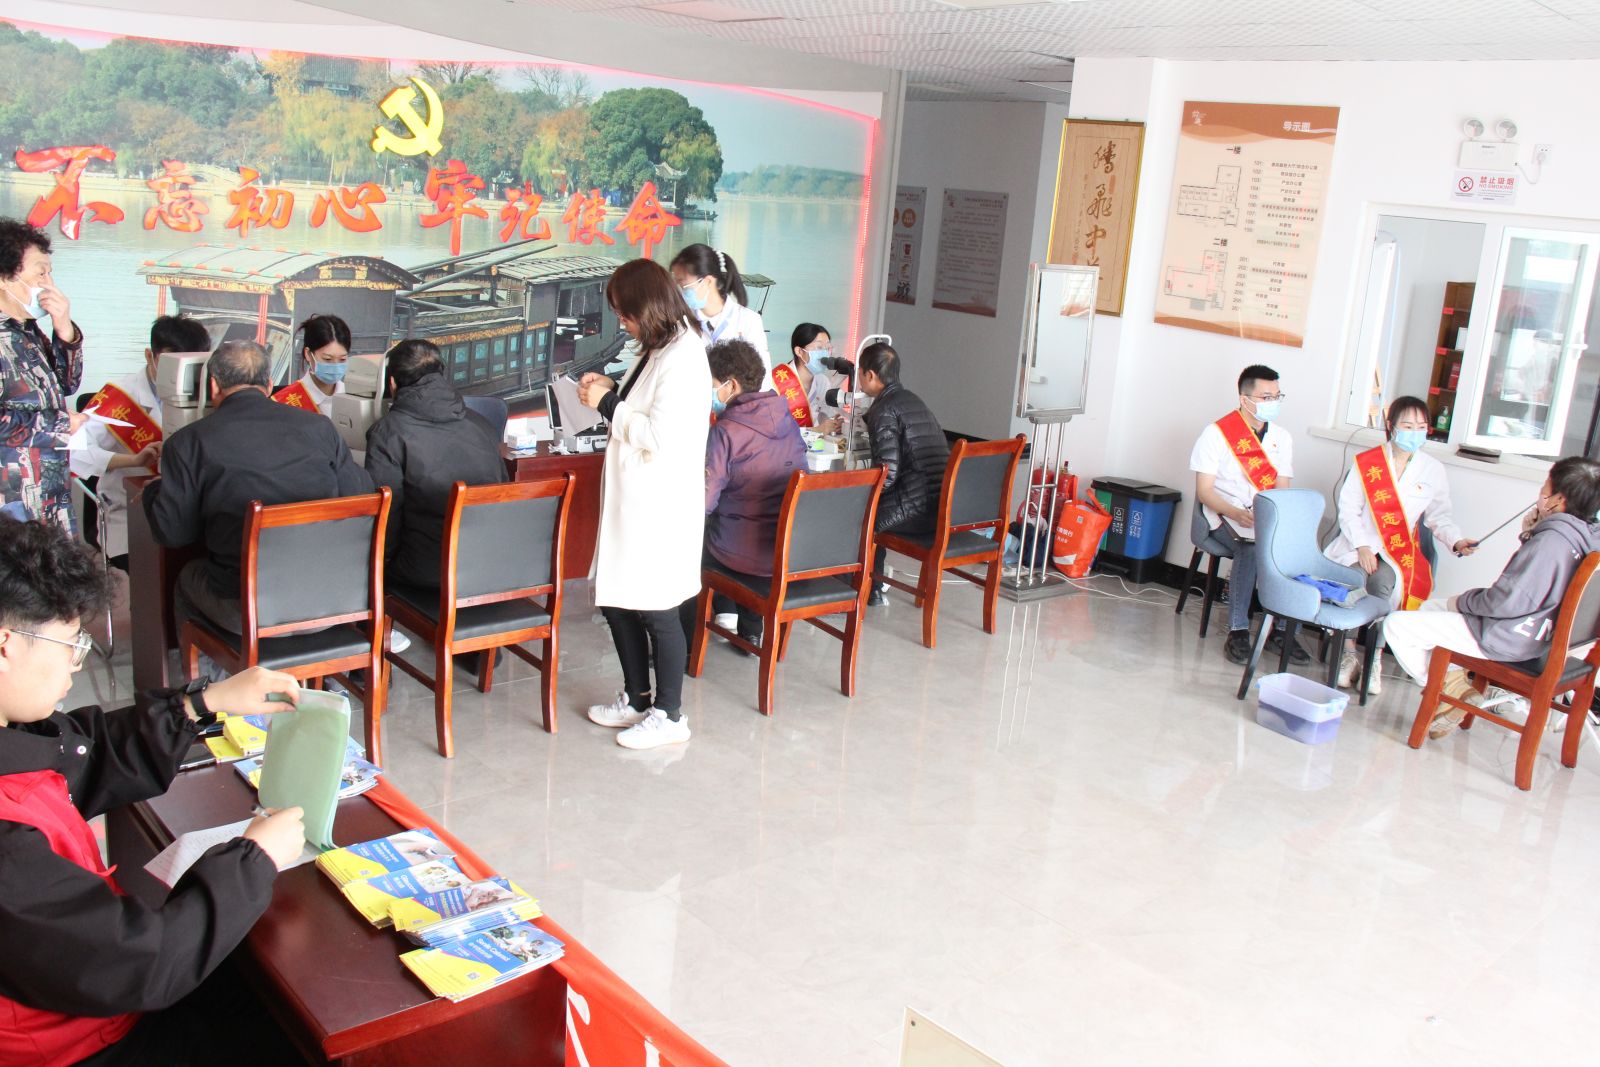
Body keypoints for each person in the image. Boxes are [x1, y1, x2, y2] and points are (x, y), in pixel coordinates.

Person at [0, 518, 308, 1066]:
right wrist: (254, 858)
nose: (75, 665)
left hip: (84, 989)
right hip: (79, 1048)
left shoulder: (12, 735)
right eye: (70, 644)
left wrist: (200, 704)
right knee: (292, 1023)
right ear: (5, 644)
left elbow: (80, 754)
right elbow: (136, 963)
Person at [143, 340, 372, 636]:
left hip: (250, 612)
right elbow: (359, 496)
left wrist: (153, 491)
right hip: (334, 600)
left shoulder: (188, 442)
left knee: (187, 578)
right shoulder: (320, 428)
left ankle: (219, 666)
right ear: (269, 384)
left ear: (213, 386)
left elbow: (173, 534)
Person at [576, 260, 709, 750]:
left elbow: (660, 435)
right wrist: (610, 390)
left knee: (658, 609)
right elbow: (638, 405)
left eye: (625, 314)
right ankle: (636, 698)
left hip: (659, 506)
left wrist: (608, 404)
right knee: (616, 600)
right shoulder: (657, 347)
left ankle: (670, 715)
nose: (622, 323)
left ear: (647, 308)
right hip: (631, 502)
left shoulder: (685, 355)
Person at [1384, 457, 1600, 739]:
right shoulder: (1587, 538)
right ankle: (1452, 686)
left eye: (1545, 487)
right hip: (1543, 636)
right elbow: (1538, 586)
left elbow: (1505, 602)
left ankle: (1453, 691)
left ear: (1558, 499)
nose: (1540, 493)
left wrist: (1462, 601)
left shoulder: (1550, 542)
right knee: (1431, 607)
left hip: (1510, 637)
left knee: (1397, 625)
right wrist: (1531, 534)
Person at [1323, 395, 1477, 694]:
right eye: (1407, 425)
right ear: (1391, 426)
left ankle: (1375, 658)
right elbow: (1349, 509)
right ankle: (1347, 653)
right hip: (1357, 545)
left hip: (1398, 552)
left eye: (1421, 426)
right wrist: (1363, 546)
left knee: (1385, 584)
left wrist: (1457, 541)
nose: (1414, 432)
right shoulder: (1368, 463)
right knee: (1356, 579)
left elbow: (1439, 517)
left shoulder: (1432, 470)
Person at [681, 338, 808, 648]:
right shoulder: (787, 420)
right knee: (749, 516)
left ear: (732, 385)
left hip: (741, 554)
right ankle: (750, 629)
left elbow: (704, 503)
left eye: (712, 385)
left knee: (688, 543)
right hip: (784, 550)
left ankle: (685, 645)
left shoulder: (726, 431)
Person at [364, 339, 507, 590]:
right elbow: (503, 490)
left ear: (392, 383)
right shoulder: (480, 424)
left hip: (429, 574)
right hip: (490, 567)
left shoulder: (388, 433)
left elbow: (386, 519)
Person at [71, 315, 211, 569]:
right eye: (170, 363)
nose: (179, 374)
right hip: (132, 514)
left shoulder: (211, 391)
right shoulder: (119, 397)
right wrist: (132, 460)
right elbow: (74, 450)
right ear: (150, 356)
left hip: (191, 510)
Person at [1190, 364, 1307, 666]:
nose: (1273, 402)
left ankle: (1281, 630)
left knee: (1291, 550)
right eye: (1266, 397)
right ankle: (1238, 630)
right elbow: (1204, 491)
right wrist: (1235, 513)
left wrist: (1278, 522)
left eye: (1277, 396)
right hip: (1222, 516)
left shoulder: (1282, 437)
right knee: (1251, 549)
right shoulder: (1216, 434)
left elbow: (1282, 489)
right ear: (1245, 399)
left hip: (1263, 518)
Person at [0, 218, 85, 533]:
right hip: (12, 500)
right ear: (5, 277)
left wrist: (64, 328)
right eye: (40, 273)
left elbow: (67, 385)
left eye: (50, 272)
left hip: (49, 492)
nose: (49, 283)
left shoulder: (27, 330)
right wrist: (61, 425)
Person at [860, 342, 949, 607]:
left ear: (870, 375)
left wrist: (857, 496)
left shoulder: (883, 410)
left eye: (860, 374)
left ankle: (863, 590)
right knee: (870, 507)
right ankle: (871, 587)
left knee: (859, 516)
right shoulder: (913, 400)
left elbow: (886, 474)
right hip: (939, 507)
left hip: (914, 510)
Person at [669, 244, 771, 387]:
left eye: (683, 285)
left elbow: (762, 380)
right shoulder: (681, 322)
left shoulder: (748, 321)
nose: (679, 292)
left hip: (737, 400)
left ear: (708, 281)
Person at [773, 323, 849, 433]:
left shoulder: (822, 381)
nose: (825, 354)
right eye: (819, 347)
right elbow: (773, 430)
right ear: (799, 351)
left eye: (827, 348)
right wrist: (816, 430)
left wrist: (834, 424)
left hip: (815, 443)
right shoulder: (776, 382)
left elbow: (826, 414)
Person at [272, 313, 349, 417]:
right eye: (327, 359)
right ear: (308, 354)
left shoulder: (354, 397)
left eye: (342, 359)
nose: (335, 366)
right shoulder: (285, 403)